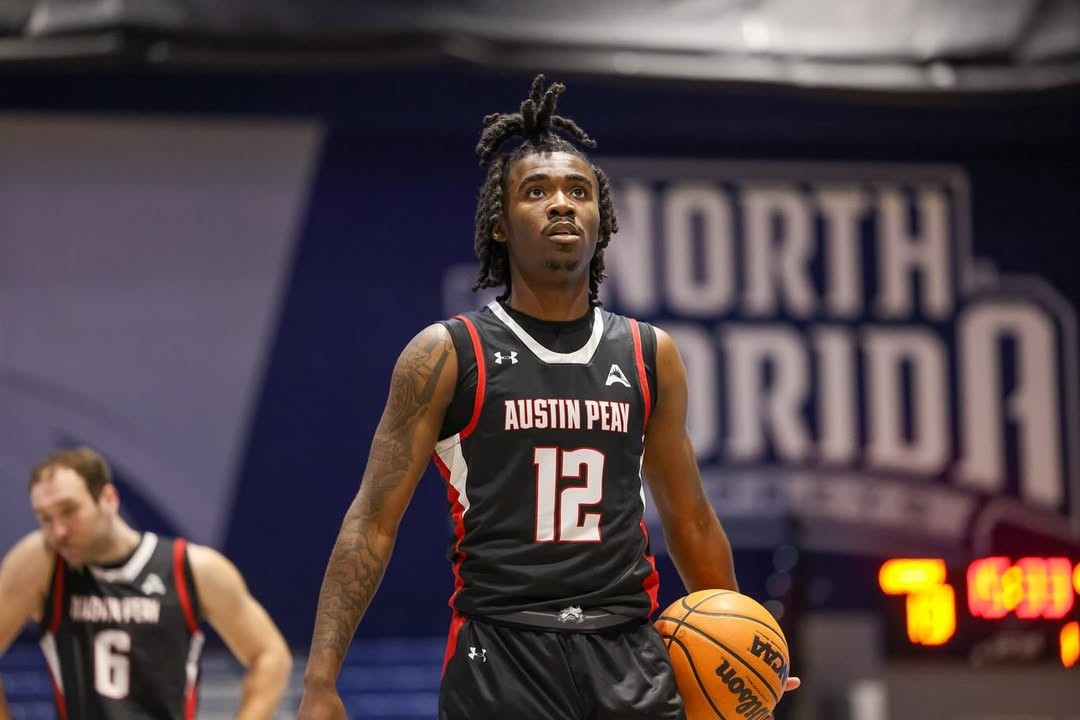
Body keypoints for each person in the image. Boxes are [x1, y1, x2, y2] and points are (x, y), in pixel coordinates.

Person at [298, 74, 799, 720]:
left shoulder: (649, 353)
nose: (561, 203)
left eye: (578, 191)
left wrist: (749, 652)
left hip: (628, 653)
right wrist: (320, 681)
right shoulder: (447, 354)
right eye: (536, 191)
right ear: (500, 225)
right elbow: (372, 521)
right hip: (502, 652)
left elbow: (692, 520)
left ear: (602, 221)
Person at [0, 446, 293, 720]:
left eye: (69, 510)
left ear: (109, 498)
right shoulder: (41, 562)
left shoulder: (192, 568)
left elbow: (270, 655)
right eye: (45, 519)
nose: (58, 531)